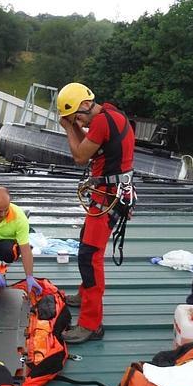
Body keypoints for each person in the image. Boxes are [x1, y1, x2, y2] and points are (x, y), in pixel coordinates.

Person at [57, 82, 135, 344]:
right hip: (109, 194)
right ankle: (85, 295)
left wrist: (69, 127)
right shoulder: (111, 115)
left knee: (89, 257)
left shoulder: (102, 122)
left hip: (108, 196)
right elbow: (90, 148)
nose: (79, 122)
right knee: (86, 245)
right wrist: (75, 124)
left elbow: (79, 156)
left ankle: (91, 324)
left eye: (78, 116)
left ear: (85, 105)